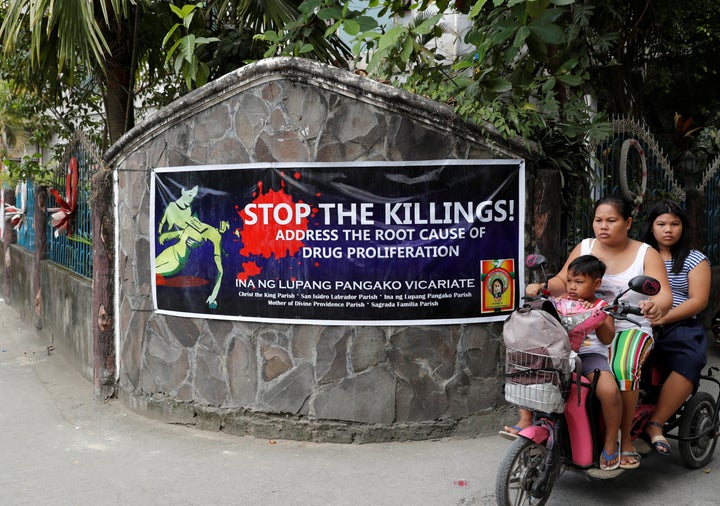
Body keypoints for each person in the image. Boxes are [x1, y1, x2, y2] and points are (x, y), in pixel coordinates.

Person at [523, 196, 672, 469]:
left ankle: (624, 439)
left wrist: (653, 306)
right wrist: (544, 285)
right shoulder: (585, 247)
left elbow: (664, 295)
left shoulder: (645, 253)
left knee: (623, 367)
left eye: (611, 221)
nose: (603, 226)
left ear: (627, 223)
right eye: (598, 220)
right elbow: (562, 280)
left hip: (629, 326)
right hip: (582, 325)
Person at [640, 200, 710, 455]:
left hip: (678, 322)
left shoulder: (694, 259)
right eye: (661, 224)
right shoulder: (639, 254)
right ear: (651, 226)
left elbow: (698, 301)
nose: (668, 229)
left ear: (683, 227)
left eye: (674, 224)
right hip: (638, 318)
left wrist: (663, 318)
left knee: (690, 360)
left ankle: (656, 423)